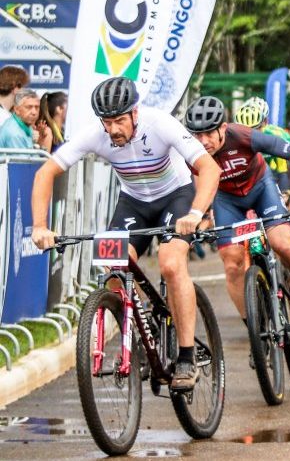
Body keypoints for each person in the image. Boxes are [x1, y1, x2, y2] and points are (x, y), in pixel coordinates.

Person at [31, 77, 221, 391]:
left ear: (135, 113)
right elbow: (45, 172)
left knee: (171, 263)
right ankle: (143, 327)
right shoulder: (97, 135)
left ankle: (186, 356)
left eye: (120, 120)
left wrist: (196, 214)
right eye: (107, 122)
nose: (114, 129)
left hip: (176, 195)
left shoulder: (159, 124)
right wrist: (39, 226)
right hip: (133, 201)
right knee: (113, 266)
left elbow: (208, 167)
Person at [184, 96, 290, 327]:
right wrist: (200, 217)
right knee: (232, 263)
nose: (203, 141)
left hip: (261, 188)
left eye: (209, 133)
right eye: (197, 135)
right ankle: (254, 328)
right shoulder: (191, 152)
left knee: (282, 244)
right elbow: (197, 184)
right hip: (227, 199)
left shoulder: (243, 135)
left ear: (223, 128)